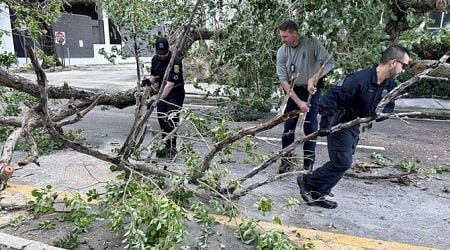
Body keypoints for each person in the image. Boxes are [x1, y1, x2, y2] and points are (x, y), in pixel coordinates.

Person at [297, 45, 411, 209]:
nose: (404, 70)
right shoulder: (359, 79)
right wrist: (325, 123)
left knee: (344, 160)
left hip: (354, 125)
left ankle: (318, 193)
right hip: (339, 122)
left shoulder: (389, 84)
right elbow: (329, 98)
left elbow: (389, 105)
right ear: (393, 62)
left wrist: (382, 114)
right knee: (342, 161)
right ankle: (308, 182)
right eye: (404, 65)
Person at [276, 20, 334, 174]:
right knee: (288, 128)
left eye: (285, 36)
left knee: (310, 127)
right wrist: (299, 102)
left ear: (295, 33)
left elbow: (329, 63)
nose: (283, 40)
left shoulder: (312, 43)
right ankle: (286, 161)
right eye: (281, 36)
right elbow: (284, 82)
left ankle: (308, 164)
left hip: (312, 90)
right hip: (293, 91)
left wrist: (314, 78)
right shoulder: (282, 52)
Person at [146, 37, 185, 159]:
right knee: (162, 119)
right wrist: (147, 81)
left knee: (171, 120)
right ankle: (166, 145)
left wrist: (156, 100)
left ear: (168, 50)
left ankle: (172, 149)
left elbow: (169, 85)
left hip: (175, 94)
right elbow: (154, 76)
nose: (162, 56)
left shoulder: (176, 62)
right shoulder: (155, 59)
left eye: (164, 53)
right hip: (161, 93)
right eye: (160, 53)